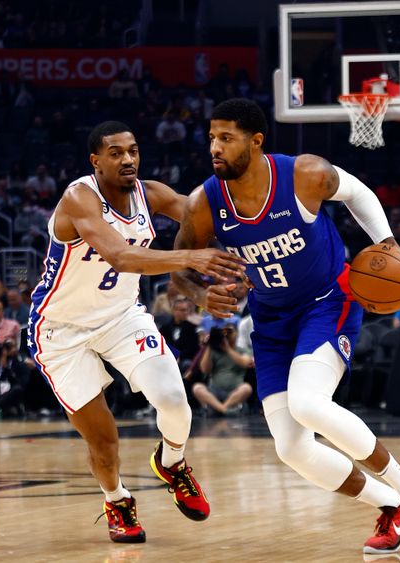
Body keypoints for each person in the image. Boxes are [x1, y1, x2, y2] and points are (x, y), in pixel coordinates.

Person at [172, 99, 400, 556]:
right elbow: (180, 266)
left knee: (307, 403)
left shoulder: (304, 173)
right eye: (211, 139)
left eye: (227, 138)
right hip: (271, 318)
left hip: (327, 300)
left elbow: (358, 193)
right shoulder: (205, 203)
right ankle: (392, 506)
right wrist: (201, 295)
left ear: (256, 142)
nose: (215, 148)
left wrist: (387, 244)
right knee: (292, 448)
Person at [26, 121, 245, 544]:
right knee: (105, 441)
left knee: (175, 403)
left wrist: (256, 241)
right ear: (96, 161)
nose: (127, 159)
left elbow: (210, 218)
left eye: (133, 151)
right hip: (60, 330)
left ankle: (173, 463)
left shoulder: (152, 193)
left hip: (122, 316)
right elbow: (123, 256)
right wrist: (193, 258)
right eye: (116, 153)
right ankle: (117, 499)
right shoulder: (78, 197)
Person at [190, 316, 253, 415]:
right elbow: (205, 370)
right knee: (197, 388)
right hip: (214, 390)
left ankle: (220, 408)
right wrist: (209, 346)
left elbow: (245, 363)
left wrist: (228, 349)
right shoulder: (214, 351)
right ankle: (224, 410)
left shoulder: (242, 350)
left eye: (230, 332)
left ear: (236, 334)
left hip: (234, 390)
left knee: (246, 388)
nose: (227, 335)